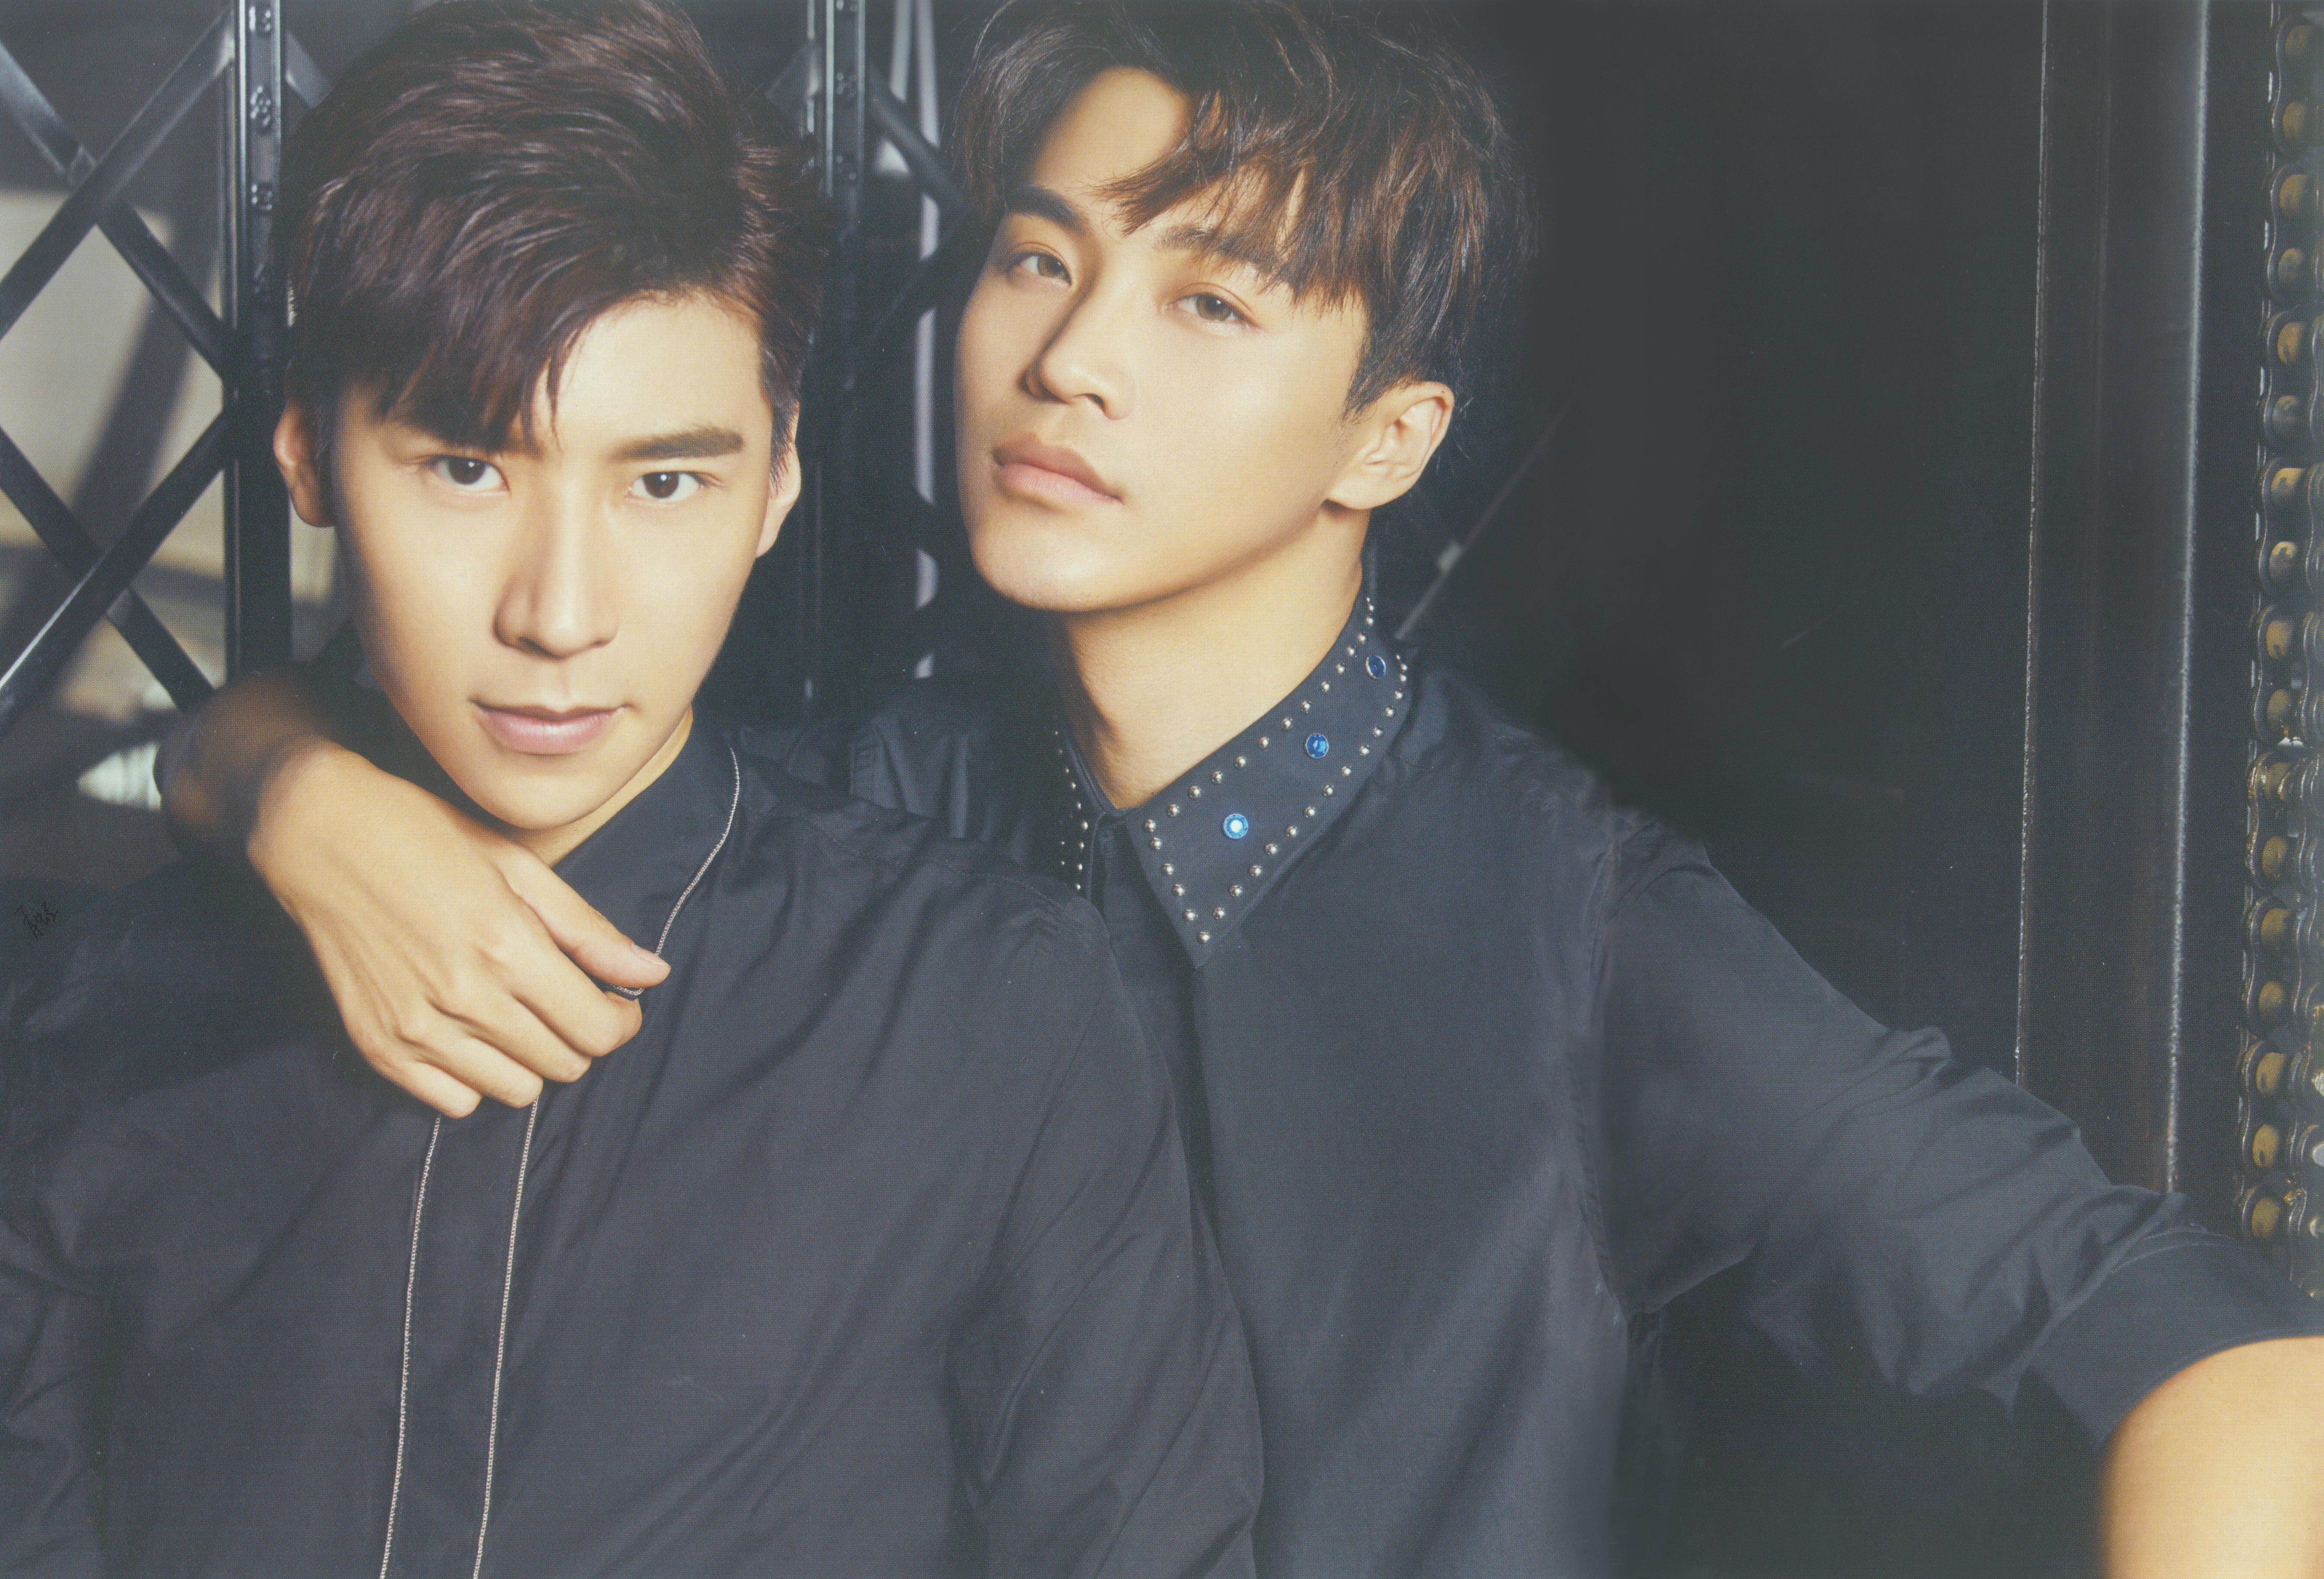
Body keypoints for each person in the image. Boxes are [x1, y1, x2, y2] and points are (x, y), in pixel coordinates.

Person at [154, 2, 2324, 1576]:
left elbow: (2223, 1355)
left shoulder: (1569, 921)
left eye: (1209, 301)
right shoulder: (858, 802)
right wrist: (279, 781)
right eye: (1038, 256)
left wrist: (262, 768)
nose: (1068, 358)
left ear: (1388, 436)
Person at [0, 4, 1261, 1575]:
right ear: (310, 458)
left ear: (777, 480)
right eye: (467, 468)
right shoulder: (101, 1017)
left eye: (664, 480)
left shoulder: (989, 1012)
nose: (561, 613)